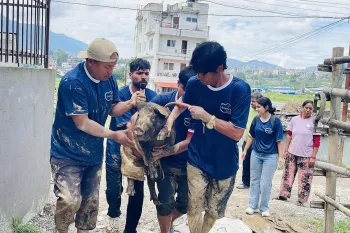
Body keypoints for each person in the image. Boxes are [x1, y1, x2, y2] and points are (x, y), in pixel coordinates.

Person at [50, 38, 146, 233]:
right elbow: (82, 122)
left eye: (113, 67)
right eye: (107, 67)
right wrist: (113, 135)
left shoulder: (108, 80)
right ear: (91, 62)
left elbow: (112, 109)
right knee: (69, 200)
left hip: (93, 153)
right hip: (67, 152)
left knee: (89, 204)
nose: (111, 71)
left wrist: (129, 103)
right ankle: (61, 230)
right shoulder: (72, 82)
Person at [165, 41, 251, 233]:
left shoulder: (239, 90)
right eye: (197, 72)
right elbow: (182, 104)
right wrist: (170, 121)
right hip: (197, 158)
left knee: (214, 212)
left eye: (203, 73)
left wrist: (207, 117)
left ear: (219, 68)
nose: (199, 76)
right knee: (193, 207)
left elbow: (237, 133)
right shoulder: (196, 84)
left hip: (225, 163)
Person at [105, 58, 157, 233]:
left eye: (146, 73)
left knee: (137, 190)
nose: (143, 76)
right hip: (116, 146)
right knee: (114, 189)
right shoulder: (120, 94)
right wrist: (133, 104)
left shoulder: (152, 97)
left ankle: (130, 229)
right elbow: (123, 124)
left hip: (139, 151)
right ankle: (113, 213)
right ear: (131, 75)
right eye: (139, 73)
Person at [149, 67, 196, 233]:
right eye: (184, 89)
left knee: (184, 205)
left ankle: (168, 225)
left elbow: (189, 142)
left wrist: (163, 152)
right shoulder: (162, 100)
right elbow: (141, 118)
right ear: (178, 85)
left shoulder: (197, 109)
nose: (187, 96)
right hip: (165, 165)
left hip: (188, 163)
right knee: (165, 204)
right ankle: (165, 230)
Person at [241, 97, 284, 217]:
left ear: (266, 108)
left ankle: (264, 207)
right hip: (256, 154)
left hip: (271, 156)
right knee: (254, 180)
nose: (256, 108)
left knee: (265, 183)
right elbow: (251, 136)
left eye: (259, 106)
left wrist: (281, 157)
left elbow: (279, 141)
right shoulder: (255, 119)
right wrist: (245, 150)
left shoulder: (275, 121)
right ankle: (252, 206)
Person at [276, 100, 320, 206]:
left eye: (310, 108)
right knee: (288, 174)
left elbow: (317, 140)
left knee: (305, 177)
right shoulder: (294, 120)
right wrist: (286, 150)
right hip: (292, 152)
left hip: (306, 154)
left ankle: (302, 200)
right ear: (302, 107)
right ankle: (283, 194)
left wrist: (313, 156)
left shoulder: (315, 122)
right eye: (306, 107)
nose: (308, 110)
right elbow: (289, 135)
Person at [237, 92, 263, 190]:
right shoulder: (248, 110)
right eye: (251, 101)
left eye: (253, 101)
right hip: (246, 140)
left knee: (257, 164)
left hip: (257, 142)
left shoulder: (261, 112)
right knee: (246, 161)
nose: (251, 103)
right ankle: (245, 182)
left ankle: (257, 184)